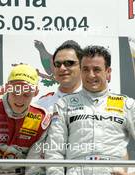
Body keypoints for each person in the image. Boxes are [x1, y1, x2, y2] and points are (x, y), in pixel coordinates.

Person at [45, 45, 135, 175]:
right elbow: (54, 150)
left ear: (108, 72)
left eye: (97, 69)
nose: (91, 75)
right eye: (86, 69)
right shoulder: (64, 104)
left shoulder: (127, 104)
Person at [37, 40, 83, 112]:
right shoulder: (41, 106)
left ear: (82, 65)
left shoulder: (99, 104)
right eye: (58, 64)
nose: (62, 68)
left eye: (68, 63)